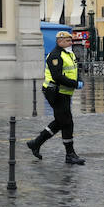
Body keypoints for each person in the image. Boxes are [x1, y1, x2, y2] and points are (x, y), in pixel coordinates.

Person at [27, 30, 85, 164]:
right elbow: (57, 76)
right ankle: (70, 154)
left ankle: (36, 143)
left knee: (61, 121)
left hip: (64, 93)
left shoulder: (68, 54)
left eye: (71, 40)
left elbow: (74, 69)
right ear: (60, 41)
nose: (71, 43)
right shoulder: (55, 55)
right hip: (55, 92)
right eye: (68, 41)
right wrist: (76, 84)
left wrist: (78, 80)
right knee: (67, 122)